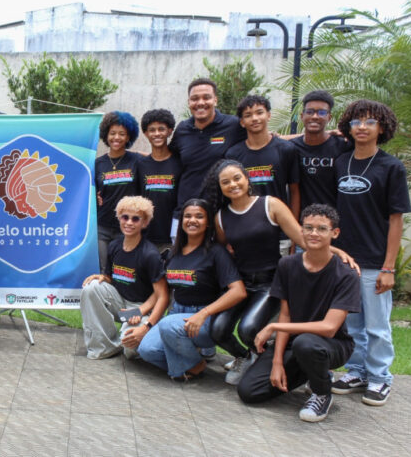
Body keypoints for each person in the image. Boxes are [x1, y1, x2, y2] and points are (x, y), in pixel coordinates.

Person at [203, 159, 358, 385]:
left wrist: (336, 251)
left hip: (269, 282)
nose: (233, 185)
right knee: (217, 330)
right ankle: (246, 356)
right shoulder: (221, 217)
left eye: (237, 178)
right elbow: (222, 249)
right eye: (225, 182)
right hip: (241, 282)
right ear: (220, 187)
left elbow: (301, 237)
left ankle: (277, 363)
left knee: (248, 329)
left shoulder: (270, 205)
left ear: (247, 179)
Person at [238, 204, 360, 422]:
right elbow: (285, 314)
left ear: (335, 233)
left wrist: (273, 326)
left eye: (322, 229)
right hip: (295, 343)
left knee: (306, 343)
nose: (314, 233)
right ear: (301, 230)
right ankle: (311, 371)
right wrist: (277, 362)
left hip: (332, 344)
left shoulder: (346, 274)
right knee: (249, 391)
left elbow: (329, 328)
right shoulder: (287, 264)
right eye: (308, 227)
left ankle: (322, 392)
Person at [331, 100, 411, 406]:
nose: (362, 127)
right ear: (348, 127)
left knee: (377, 326)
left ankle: (380, 378)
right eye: (356, 121)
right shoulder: (341, 162)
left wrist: (388, 267)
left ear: (382, 128)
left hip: (376, 261)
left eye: (370, 121)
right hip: (345, 260)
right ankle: (357, 371)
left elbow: (396, 219)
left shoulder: (391, 167)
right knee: (353, 325)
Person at [137, 199, 246, 381]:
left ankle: (189, 360)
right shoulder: (174, 252)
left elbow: (238, 291)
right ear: (181, 222)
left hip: (205, 319)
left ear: (208, 222)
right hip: (177, 313)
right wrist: (144, 319)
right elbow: (162, 291)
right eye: (187, 216)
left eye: (199, 216)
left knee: (168, 326)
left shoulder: (216, 252)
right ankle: (194, 363)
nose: (192, 220)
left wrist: (203, 313)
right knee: (147, 350)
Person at [80, 196, 169, 359]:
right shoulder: (114, 246)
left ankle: (148, 337)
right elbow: (111, 278)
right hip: (121, 302)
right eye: (125, 217)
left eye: (135, 219)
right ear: (119, 218)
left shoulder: (150, 254)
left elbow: (163, 296)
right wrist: (101, 277)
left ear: (144, 223)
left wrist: (145, 321)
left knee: (130, 349)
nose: (129, 222)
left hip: (142, 307)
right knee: (91, 287)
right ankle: (104, 347)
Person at [168, 78, 246, 226]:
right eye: (195, 99)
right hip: (186, 212)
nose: (200, 103)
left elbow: (261, 140)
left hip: (222, 213)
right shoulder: (183, 129)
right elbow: (167, 157)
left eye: (206, 97)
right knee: (178, 243)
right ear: (189, 102)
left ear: (215, 100)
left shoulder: (233, 125)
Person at [224, 95, 299, 221]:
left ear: (268, 115)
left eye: (259, 113)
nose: (255, 118)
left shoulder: (286, 149)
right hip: (246, 224)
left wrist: (293, 224)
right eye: (248, 115)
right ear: (242, 122)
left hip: (279, 224)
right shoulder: (233, 154)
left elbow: (294, 191)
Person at [289, 90, 351, 212]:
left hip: (335, 219)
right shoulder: (291, 148)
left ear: (329, 117)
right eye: (310, 112)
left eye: (321, 112)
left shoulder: (343, 146)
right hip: (302, 220)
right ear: (302, 116)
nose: (315, 116)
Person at [94, 111, 140, 272]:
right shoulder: (98, 164)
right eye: (112, 133)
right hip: (103, 226)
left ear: (128, 137)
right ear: (106, 135)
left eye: (122, 134)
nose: (116, 137)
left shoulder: (137, 160)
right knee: (103, 270)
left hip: (128, 226)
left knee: (123, 270)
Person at [135, 109, 181, 252]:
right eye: (152, 130)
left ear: (170, 131)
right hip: (146, 236)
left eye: (161, 129)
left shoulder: (180, 162)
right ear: (145, 133)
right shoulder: (140, 164)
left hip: (173, 236)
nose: (157, 134)